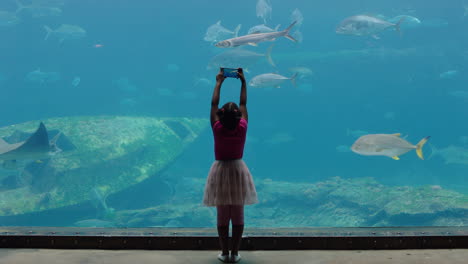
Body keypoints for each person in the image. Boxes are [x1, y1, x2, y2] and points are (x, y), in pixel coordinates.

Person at [203, 68, 258, 263]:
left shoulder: (217, 127)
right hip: (237, 169)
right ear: (237, 116)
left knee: (222, 213)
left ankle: (224, 252)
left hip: (219, 170)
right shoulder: (242, 126)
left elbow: (213, 103)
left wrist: (219, 81)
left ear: (220, 115)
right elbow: (243, 103)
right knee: (238, 212)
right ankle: (235, 253)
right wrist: (243, 82)